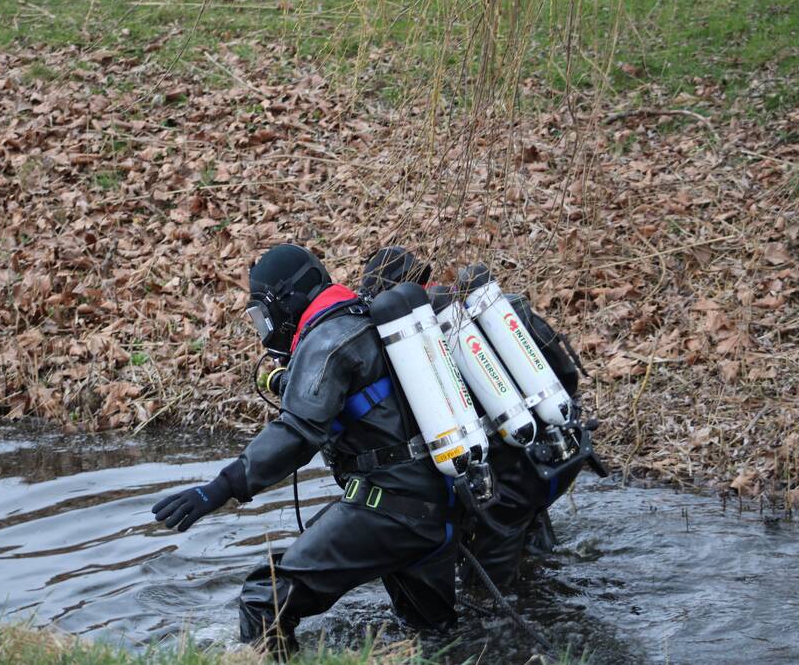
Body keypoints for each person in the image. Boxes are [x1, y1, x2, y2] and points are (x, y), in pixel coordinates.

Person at [151, 244, 461, 657]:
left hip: (390, 510)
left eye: (263, 315)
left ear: (286, 301)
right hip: (433, 503)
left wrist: (218, 489)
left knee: (264, 598)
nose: (265, 329)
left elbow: (296, 434)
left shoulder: (327, 339)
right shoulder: (363, 317)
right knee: (435, 639)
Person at [359, 247, 593, 587]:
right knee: (536, 559)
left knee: (490, 595)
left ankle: (512, 632)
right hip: (555, 454)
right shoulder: (495, 310)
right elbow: (566, 378)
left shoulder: (410, 349)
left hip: (505, 485)